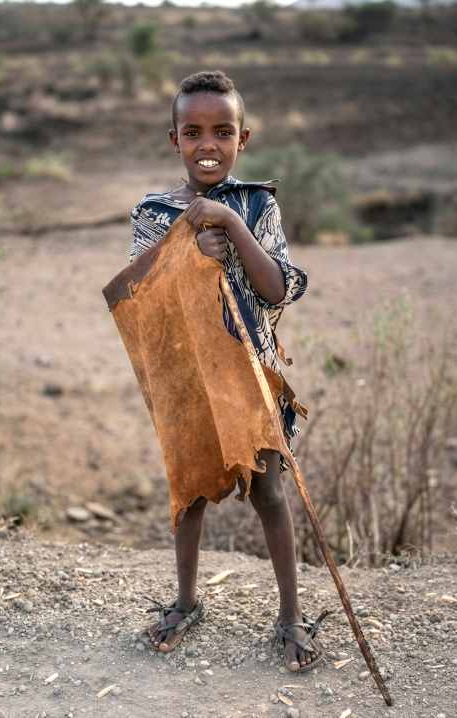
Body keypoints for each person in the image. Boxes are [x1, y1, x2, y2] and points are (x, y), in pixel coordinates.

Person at [131, 70, 323, 672]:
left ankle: (290, 617)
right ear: (174, 140)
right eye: (193, 132)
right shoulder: (152, 212)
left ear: (244, 137)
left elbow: (278, 290)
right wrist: (187, 253)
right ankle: (187, 603)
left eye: (222, 131)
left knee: (268, 490)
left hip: (252, 374)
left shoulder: (257, 204)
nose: (207, 144)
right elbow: (140, 301)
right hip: (185, 381)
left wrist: (234, 229)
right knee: (189, 493)